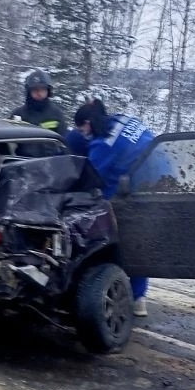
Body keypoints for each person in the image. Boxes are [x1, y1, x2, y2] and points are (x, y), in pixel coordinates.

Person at [70, 98, 158, 317]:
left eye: (82, 128)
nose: (82, 133)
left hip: (136, 189)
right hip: (161, 178)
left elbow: (91, 177)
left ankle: (126, 295)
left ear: (88, 123)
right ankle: (139, 297)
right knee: (140, 240)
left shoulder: (103, 145)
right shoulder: (123, 119)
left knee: (116, 239)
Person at [10, 70, 68, 137]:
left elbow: (63, 140)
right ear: (29, 92)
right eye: (35, 90)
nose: (39, 93)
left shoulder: (56, 114)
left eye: (43, 89)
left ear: (48, 91)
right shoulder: (18, 114)